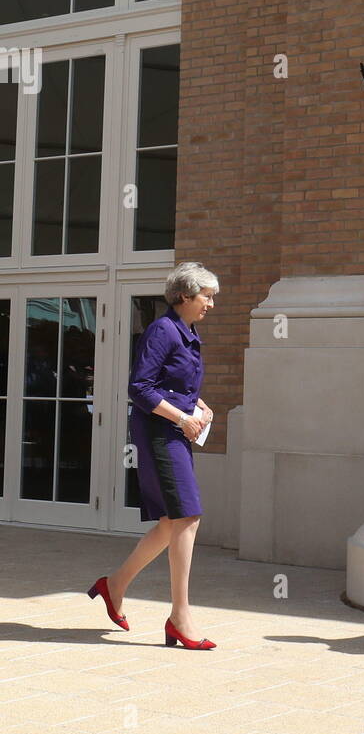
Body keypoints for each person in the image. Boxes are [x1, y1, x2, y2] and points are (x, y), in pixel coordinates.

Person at [87, 262, 219, 650]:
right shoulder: (163, 330)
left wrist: (199, 407)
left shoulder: (187, 332)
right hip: (160, 433)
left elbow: (173, 384)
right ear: (183, 296)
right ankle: (180, 616)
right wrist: (182, 416)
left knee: (169, 523)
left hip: (174, 430)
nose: (210, 304)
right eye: (205, 297)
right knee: (187, 516)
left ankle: (114, 585)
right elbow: (140, 387)